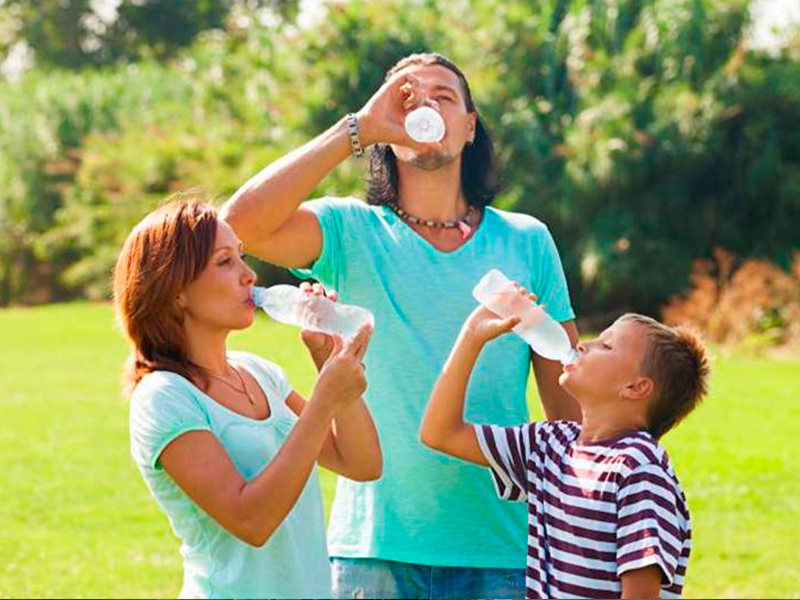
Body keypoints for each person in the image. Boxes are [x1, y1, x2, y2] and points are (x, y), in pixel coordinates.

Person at [221, 52, 579, 599]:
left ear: (468, 126)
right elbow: (238, 226)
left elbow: (570, 419)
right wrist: (356, 129)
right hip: (373, 553)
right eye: (407, 99)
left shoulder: (528, 239)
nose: (426, 105)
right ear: (388, 129)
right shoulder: (348, 230)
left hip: (503, 550)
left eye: (444, 96)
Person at [114, 199, 382, 599]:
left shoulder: (258, 372)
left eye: (241, 257)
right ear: (176, 290)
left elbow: (361, 464)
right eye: (225, 262)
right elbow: (252, 520)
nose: (249, 275)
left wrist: (328, 362)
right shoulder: (164, 397)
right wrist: (325, 400)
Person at [420, 294, 710, 599]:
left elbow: (641, 594)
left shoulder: (639, 469)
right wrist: (472, 337)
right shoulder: (549, 446)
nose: (583, 345)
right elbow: (440, 432)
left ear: (635, 388)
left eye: (606, 345)